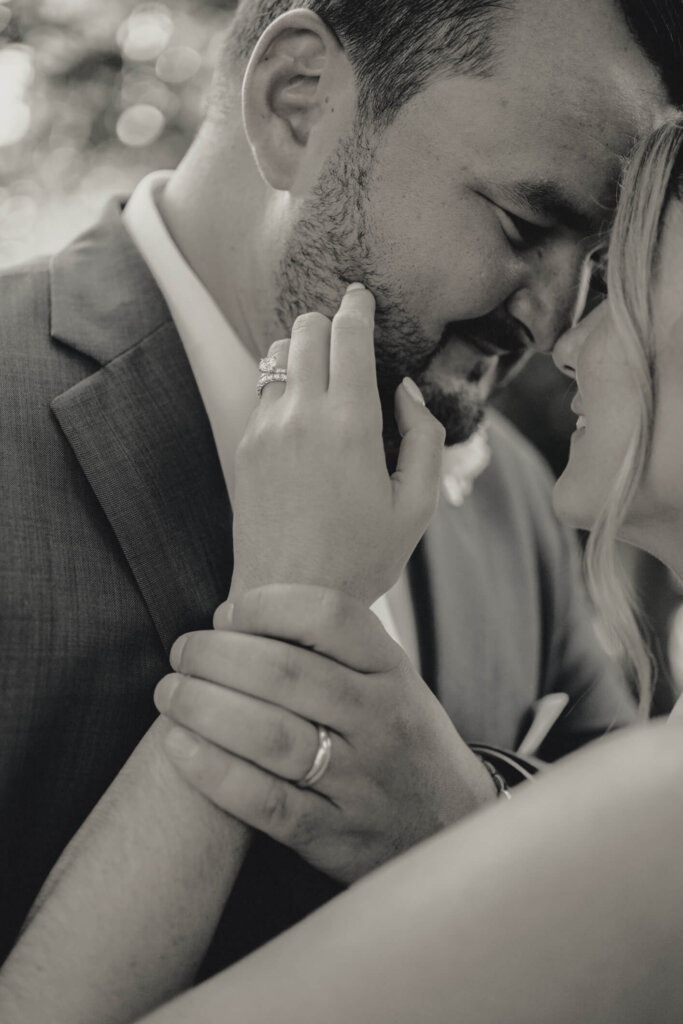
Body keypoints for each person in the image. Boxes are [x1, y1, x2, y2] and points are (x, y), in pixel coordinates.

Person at [0, 0, 680, 995]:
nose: (550, 320)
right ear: (297, 101)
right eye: (524, 223)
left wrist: (467, 807)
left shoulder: (517, 497)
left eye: (594, 263)